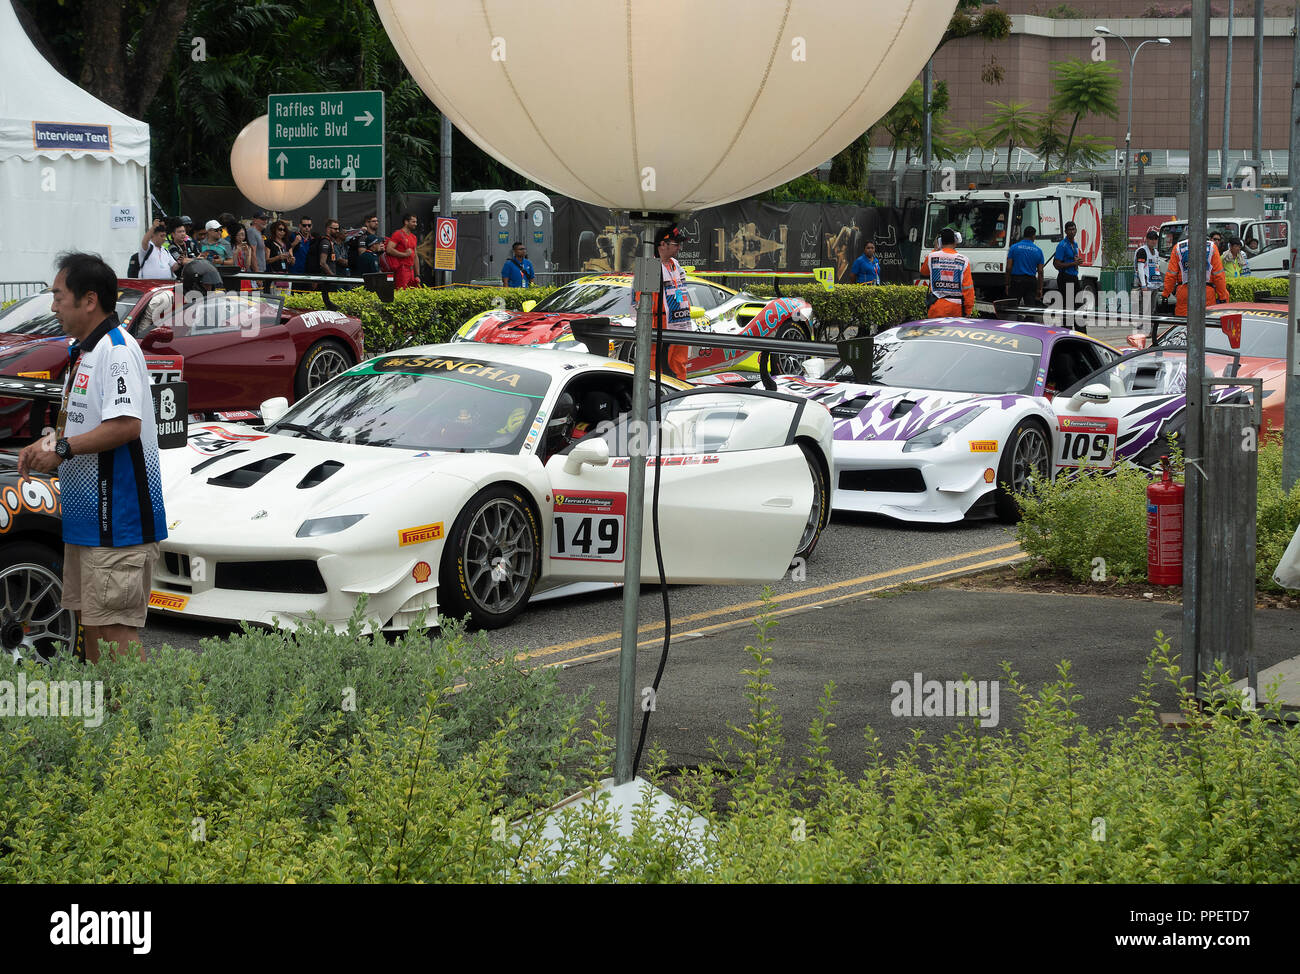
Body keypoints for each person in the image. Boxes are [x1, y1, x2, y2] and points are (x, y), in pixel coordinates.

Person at [17, 253, 167, 663]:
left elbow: (125, 426)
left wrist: (62, 449)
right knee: (92, 629)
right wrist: (49, 444)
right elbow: (84, 424)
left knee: (114, 630)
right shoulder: (85, 350)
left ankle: (135, 726)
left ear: (88, 300)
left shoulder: (117, 350)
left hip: (119, 521)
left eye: (58, 296)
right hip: (87, 523)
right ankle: (109, 723)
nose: (52, 306)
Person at [650, 224, 692, 380]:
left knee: (679, 365)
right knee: (658, 368)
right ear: (662, 244)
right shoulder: (650, 266)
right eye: (676, 244)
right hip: (659, 324)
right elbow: (642, 302)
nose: (679, 248)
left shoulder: (676, 265)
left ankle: (679, 392)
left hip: (679, 323)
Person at [1162, 233, 1229, 316]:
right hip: (1206, 292)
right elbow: (1219, 276)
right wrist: (1222, 297)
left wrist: (1165, 294)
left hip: (1184, 291)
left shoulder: (1178, 248)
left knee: (1182, 325)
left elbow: (1171, 275)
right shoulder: (1212, 247)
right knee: (1206, 323)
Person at [920, 228, 974, 318]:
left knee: (935, 331)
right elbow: (968, 288)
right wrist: (968, 310)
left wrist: (935, 250)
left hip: (936, 307)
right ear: (955, 241)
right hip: (956, 308)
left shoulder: (931, 256)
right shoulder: (963, 260)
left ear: (940, 242)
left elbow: (924, 272)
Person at [1004, 226, 1044, 305]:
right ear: (1033, 236)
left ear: (1024, 234)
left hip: (1016, 281)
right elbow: (1040, 271)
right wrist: (1039, 288)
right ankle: (1029, 317)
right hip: (1031, 282)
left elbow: (1008, 268)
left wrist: (1007, 284)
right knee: (1030, 308)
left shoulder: (1014, 248)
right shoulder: (1038, 251)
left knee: (1013, 308)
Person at [386, 213, 421, 288]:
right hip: (402, 269)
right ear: (406, 222)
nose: (416, 224)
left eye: (416, 222)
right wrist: (404, 254)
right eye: (413, 222)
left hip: (411, 271)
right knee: (401, 293)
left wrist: (417, 275)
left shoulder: (413, 237)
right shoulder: (398, 234)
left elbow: (415, 256)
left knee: (412, 295)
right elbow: (389, 249)